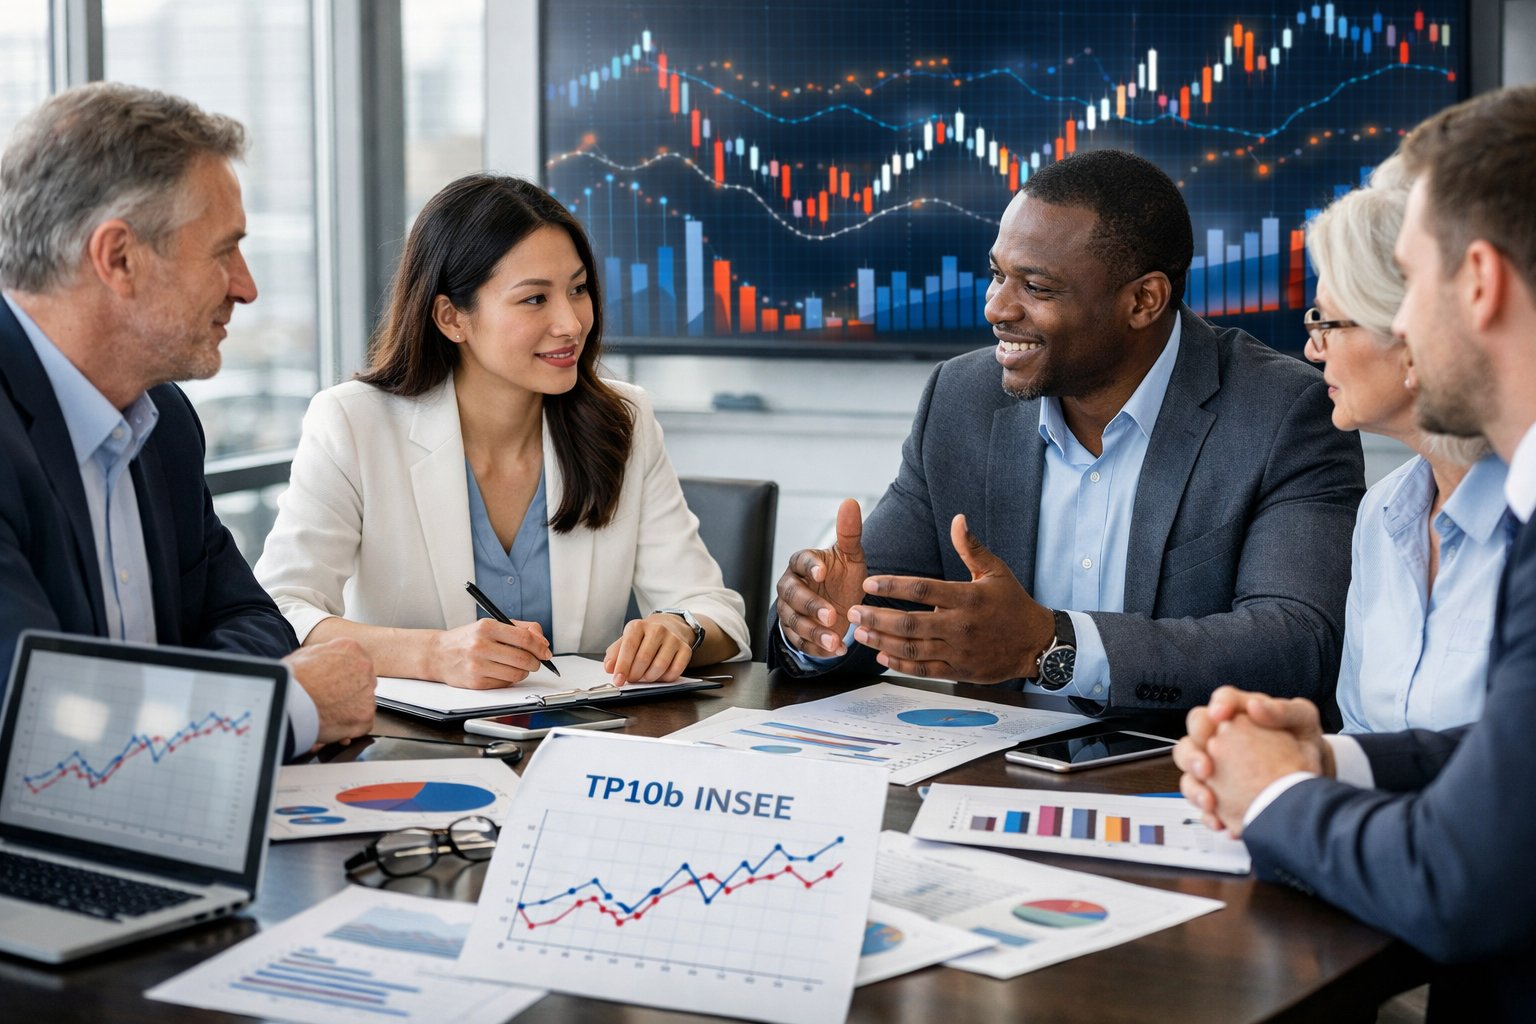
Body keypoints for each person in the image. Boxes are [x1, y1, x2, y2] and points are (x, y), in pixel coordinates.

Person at [1175, 83, 1536, 1019]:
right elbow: (1509, 761)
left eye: (1409, 284)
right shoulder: (1392, 513)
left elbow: (1463, 879)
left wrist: (1277, 793)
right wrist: (1337, 762)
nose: (1403, 324)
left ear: (1480, 284)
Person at [770, 149, 1365, 715]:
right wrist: (825, 623)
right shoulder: (961, 399)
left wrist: (1051, 645)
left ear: (1144, 300)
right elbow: (876, 609)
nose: (997, 308)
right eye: (996, 275)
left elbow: (1299, 645)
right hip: (991, 768)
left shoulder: (1281, 412)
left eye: (1036, 287)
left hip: (1182, 771)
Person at [254, 173, 749, 689]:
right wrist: (431, 654)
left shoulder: (624, 419)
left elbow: (716, 612)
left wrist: (679, 629)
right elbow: (279, 612)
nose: (571, 323)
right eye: (534, 299)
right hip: (410, 735)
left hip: (582, 729)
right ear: (451, 318)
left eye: (578, 289)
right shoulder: (353, 423)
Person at [0, 83, 375, 755]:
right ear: (119, 258)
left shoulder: (163, 422)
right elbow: (41, 732)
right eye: (223, 250)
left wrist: (184, 712)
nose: (246, 286)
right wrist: (286, 705)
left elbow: (250, 617)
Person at [1303, 178, 1510, 732]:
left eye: (1327, 322)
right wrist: (1312, 755)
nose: (1312, 349)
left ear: (1409, 332)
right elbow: (1362, 729)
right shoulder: (1382, 513)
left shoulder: (1522, 514)